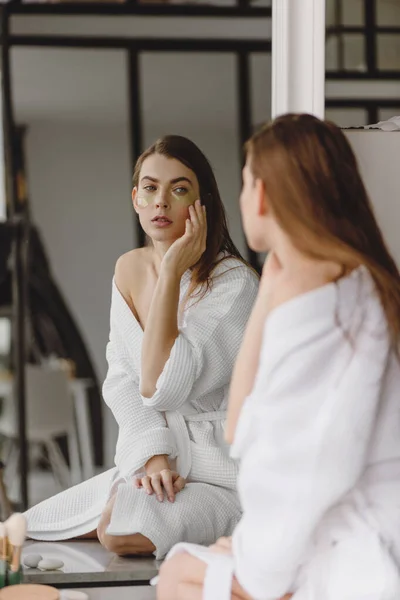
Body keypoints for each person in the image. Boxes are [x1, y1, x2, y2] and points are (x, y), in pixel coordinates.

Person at [156, 114, 400, 600]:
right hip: (332, 529)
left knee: (177, 576)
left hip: (352, 547)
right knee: (181, 568)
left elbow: (307, 464)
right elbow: (242, 428)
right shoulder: (351, 278)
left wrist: (256, 566)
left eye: (245, 182)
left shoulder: (319, 291)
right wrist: (273, 277)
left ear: (262, 194)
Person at [25, 135, 259, 558]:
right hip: (161, 462)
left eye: (179, 189)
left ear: (201, 203)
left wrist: (170, 272)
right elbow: (122, 381)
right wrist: (153, 456)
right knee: (30, 526)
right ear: (136, 198)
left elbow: (161, 387)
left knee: (117, 531)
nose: (161, 202)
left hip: (219, 472)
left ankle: (239, 521)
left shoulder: (235, 283)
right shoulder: (129, 269)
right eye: (150, 188)